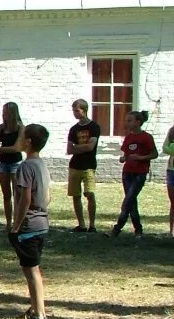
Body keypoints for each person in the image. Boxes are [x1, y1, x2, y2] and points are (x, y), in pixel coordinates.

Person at [10, 125, 52, 319]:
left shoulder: (25, 167)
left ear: (28, 142)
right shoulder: (41, 164)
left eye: (21, 136)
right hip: (42, 222)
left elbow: (24, 199)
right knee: (32, 269)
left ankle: (40, 315)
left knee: (31, 271)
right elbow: (48, 196)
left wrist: (16, 226)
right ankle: (35, 307)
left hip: (29, 225)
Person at [106, 110, 158, 239]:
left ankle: (117, 229)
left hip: (139, 173)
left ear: (138, 122)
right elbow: (126, 154)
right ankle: (138, 230)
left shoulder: (146, 137)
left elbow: (154, 154)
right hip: (127, 172)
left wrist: (140, 158)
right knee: (131, 202)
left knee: (128, 201)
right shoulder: (128, 137)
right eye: (126, 120)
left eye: (130, 120)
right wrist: (123, 158)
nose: (127, 123)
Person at [66, 99, 100, 233]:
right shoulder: (74, 129)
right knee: (76, 195)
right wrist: (82, 148)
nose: (75, 113)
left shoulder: (94, 127)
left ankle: (92, 225)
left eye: (77, 110)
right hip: (75, 166)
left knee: (90, 194)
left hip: (89, 165)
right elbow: (69, 149)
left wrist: (77, 147)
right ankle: (81, 224)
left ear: (84, 110)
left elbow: (91, 146)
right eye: (73, 110)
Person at [0, 103, 25, 230]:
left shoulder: (21, 128)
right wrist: (8, 149)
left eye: (6, 112)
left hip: (16, 163)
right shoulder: (0, 128)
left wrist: (2, 149)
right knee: (6, 194)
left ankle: (18, 222)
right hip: (2, 163)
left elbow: (18, 148)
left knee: (17, 193)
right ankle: (8, 223)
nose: (3, 114)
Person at [166, 123, 174, 238]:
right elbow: (164, 148)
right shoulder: (172, 130)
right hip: (171, 170)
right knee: (173, 202)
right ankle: (171, 230)